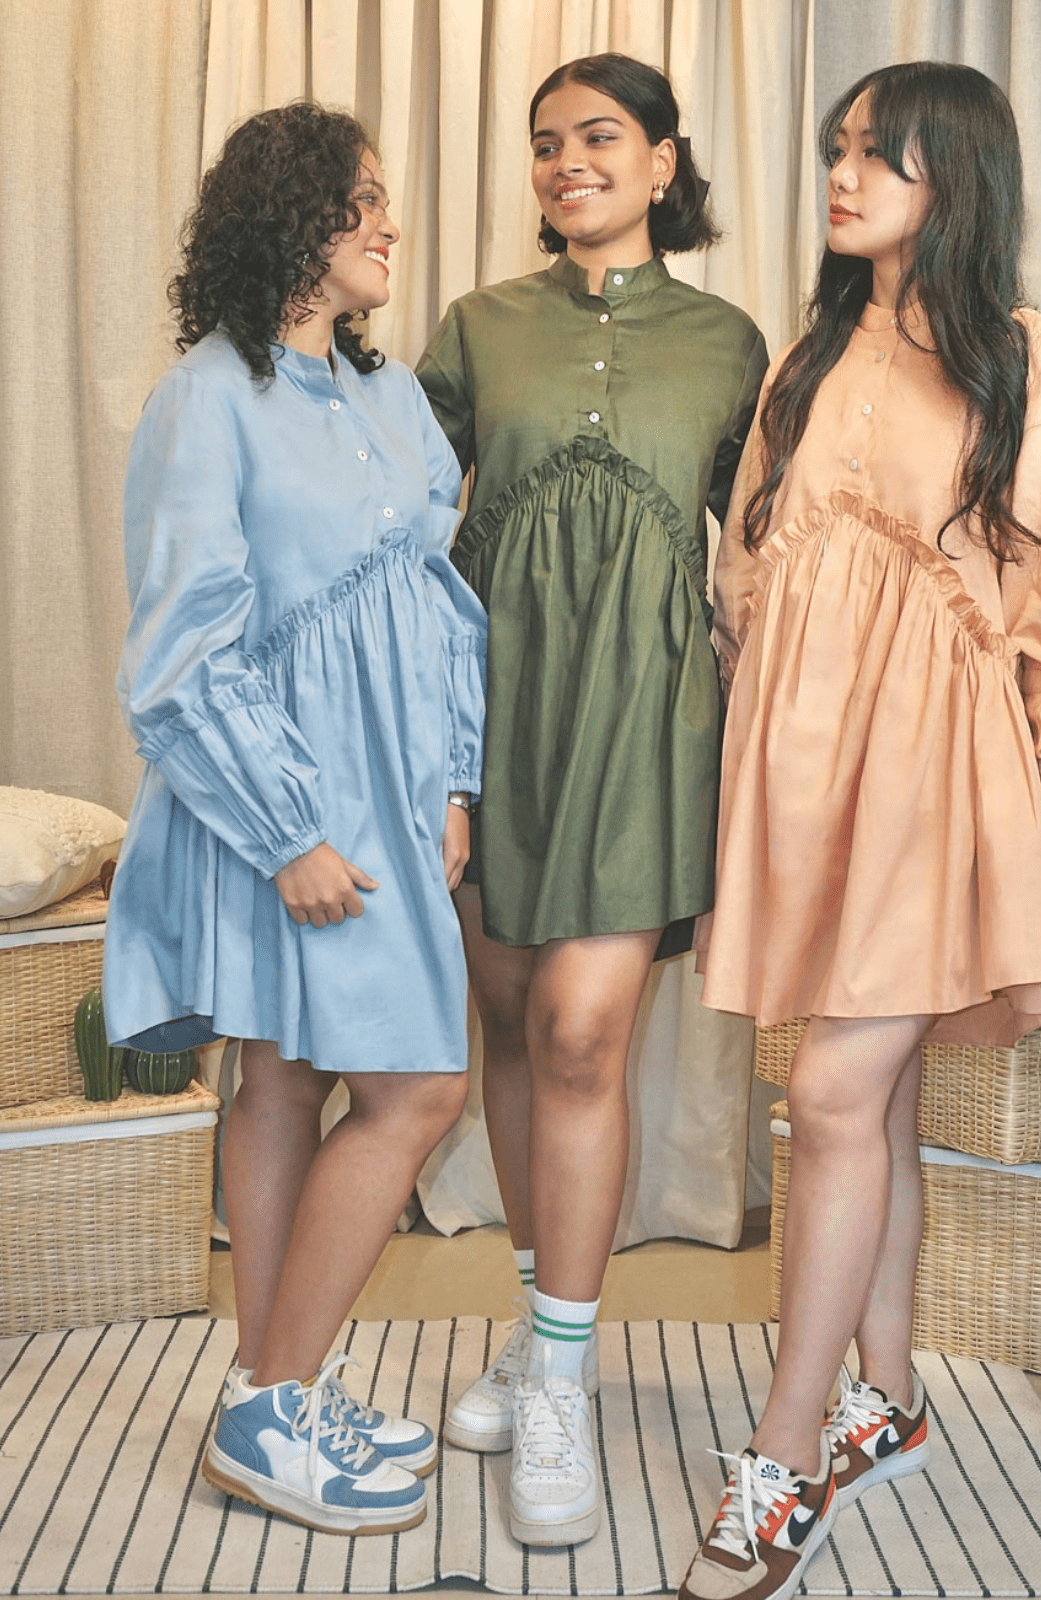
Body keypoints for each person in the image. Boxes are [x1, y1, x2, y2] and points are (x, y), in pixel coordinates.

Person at [681, 60, 1041, 1599]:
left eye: (882, 154)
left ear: (960, 177)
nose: (844, 174)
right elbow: (750, 579)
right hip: (809, 779)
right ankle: (886, 1403)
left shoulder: (1025, 353)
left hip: (942, 777)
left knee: (826, 1095)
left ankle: (784, 1456)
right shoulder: (807, 356)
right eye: (838, 148)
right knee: (866, 1105)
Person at [102, 102, 487, 1538]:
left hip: (389, 796)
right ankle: (273, 1406)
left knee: (295, 1080)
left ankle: (270, 1394)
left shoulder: (388, 397)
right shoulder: (207, 398)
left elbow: (439, 611)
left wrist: (453, 779)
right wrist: (287, 833)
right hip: (286, 809)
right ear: (292, 217)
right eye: (361, 201)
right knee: (393, 1091)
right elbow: (181, 655)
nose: (390, 224)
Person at [416, 53, 768, 1547]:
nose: (569, 163)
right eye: (548, 143)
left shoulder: (732, 343)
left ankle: (561, 1385)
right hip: (491, 717)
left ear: (664, 159)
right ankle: (536, 1326)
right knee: (508, 1025)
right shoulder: (478, 326)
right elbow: (393, 517)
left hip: (646, 727)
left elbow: (769, 552)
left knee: (578, 1034)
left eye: (601, 137)